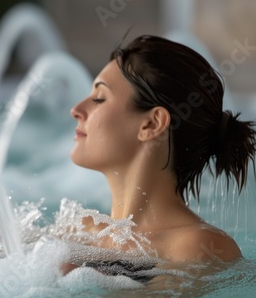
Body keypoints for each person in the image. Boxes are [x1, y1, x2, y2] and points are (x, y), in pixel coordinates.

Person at [68, 35, 256, 268]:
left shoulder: (198, 247)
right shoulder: (81, 230)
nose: (75, 110)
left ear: (152, 124)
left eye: (99, 98)